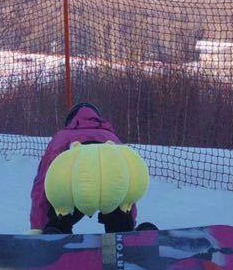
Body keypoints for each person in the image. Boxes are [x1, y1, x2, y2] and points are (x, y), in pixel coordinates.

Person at [29, 100, 152, 234]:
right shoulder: (111, 137)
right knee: (116, 200)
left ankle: (57, 232)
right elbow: (128, 182)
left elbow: (43, 183)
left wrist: (38, 227)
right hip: (110, 186)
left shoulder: (62, 136)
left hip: (76, 185)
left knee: (61, 208)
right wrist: (129, 218)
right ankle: (123, 234)